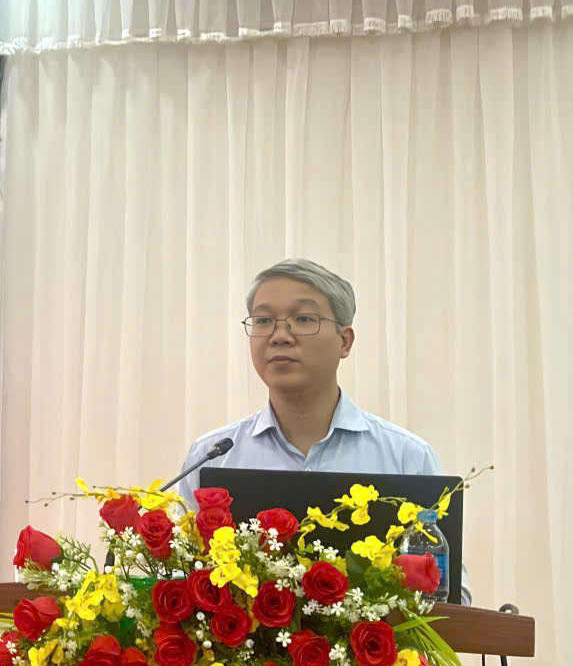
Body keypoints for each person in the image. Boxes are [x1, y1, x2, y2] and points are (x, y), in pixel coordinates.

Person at [175, 258, 471, 603]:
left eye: (303, 319)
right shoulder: (213, 456)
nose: (279, 336)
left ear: (345, 341)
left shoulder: (406, 456)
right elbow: (179, 582)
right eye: (264, 320)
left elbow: (450, 598)